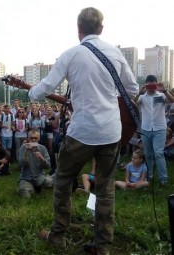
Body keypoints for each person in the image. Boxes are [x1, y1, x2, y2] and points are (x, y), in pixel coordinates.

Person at [29, 7, 139, 254]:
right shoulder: (115, 53)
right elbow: (132, 89)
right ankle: (102, 246)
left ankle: (58, 235)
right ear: (101, 28)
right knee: (106, 187)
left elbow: (46, 87)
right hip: (111, 132)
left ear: (78, 30)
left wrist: (30, 92)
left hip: (81, 133)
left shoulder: (71, 54)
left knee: (63, 180)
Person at [134, 75, 174, 186]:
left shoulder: (161, 95)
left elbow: (172, 100)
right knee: (148, 154)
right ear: (146, 85)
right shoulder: (142, 97)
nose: (151, 86)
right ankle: (149, 176)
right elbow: (132, 104)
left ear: (156, 84)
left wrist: (165, 90)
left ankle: (163, 179)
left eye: (153, 84)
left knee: (159, 153)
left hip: (160, 128)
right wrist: (139, 93)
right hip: (146, 128)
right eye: (149, 84)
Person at [18, 130, 53, 199]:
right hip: (26, 178)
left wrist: (41, 158)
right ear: (28, 138)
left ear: (39, 138)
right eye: (31, 138)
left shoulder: (42, 148)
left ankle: (38, 186)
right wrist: (26, 152)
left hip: (39, 176)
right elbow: (21, 164)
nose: (33, 140)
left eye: (36, 138)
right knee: (26, 196)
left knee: (50, 183)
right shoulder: (23, 147)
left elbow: (48, 166)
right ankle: (30, 187)